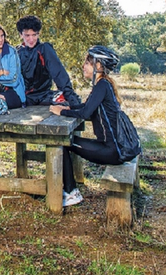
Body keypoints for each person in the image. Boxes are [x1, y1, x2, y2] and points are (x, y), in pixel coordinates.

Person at [50, 45, 128, 207]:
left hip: (111, 150)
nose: (83, 66)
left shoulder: (102, 86)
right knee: (67, 141)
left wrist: (61, 113)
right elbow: (87, 106)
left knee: (62, 143)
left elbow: (85, 113)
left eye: (87, 63)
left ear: (98, 66)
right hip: (113, 147)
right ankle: (70, 188)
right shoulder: (103, 85)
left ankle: (71, 193)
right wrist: (68, 108)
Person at [15, 15, 81, 107]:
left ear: (39, 34)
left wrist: (69, 95)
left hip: (44, 95)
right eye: (27, 35)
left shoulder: (44, 49)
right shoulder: (17, 52)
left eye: (34, 35)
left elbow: (58, 72)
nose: (31, 39)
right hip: (24, 97)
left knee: (67, 102)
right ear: (21, 35)